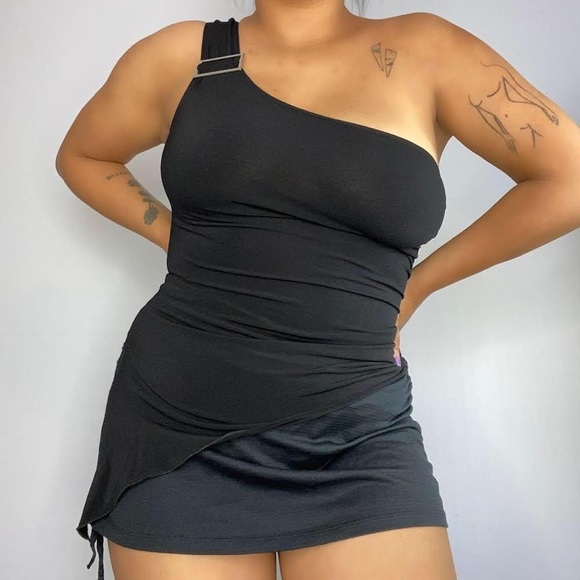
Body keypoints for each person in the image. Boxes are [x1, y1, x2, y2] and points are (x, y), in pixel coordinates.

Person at [55, 1, 580, 579]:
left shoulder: (428, 49)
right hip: (178, 431)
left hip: (357, 434)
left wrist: (419, 286)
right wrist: (171, 234)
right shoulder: (181, 55)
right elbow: (83, 154)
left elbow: (570, 178)